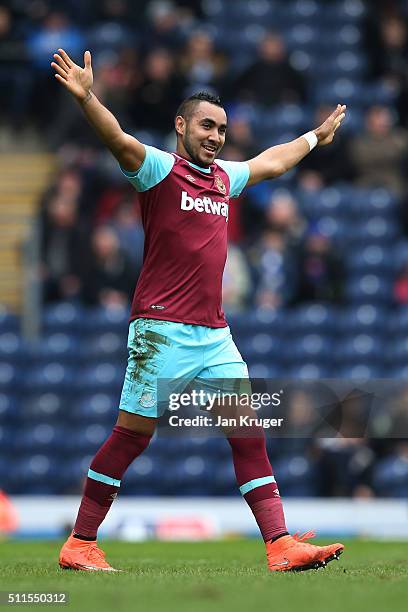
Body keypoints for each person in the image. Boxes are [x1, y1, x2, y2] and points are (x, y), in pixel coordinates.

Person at [52, 48, 346, 572]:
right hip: (161, 329)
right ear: (181, 125)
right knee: (131, 437)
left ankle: (279, 544)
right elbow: (119, 140)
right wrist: (88, 98)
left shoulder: (223, 180)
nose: (215, 136)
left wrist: (312, 138)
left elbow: (270, 162)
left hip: (214, 333)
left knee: (247, 429)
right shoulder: (159, 170)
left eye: (222, 129)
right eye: (206, 126)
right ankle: (80, 542)